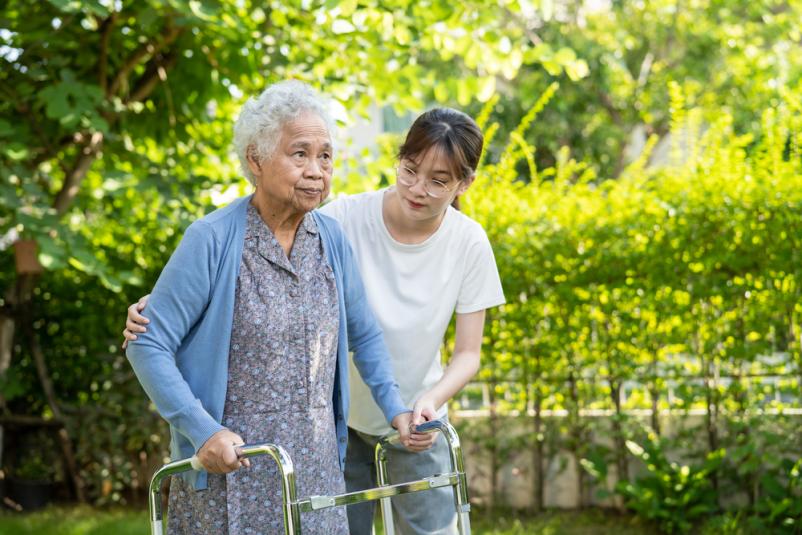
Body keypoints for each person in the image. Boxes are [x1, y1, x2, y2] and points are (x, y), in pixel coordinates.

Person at [125, 107, 505, 534]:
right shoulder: (213, 238)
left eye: (325, 156)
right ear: (255, 159)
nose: (316, 170)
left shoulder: (330, 237)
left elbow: (366, 334)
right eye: (300, 154)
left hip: (317, 468)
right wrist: (203, 431)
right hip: (231, 467)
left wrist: (396, 408)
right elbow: (149, 342)